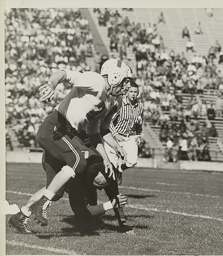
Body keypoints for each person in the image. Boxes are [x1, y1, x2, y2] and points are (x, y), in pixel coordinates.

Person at [9, 59, 133, 232]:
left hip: (65, 136)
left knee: (56, 190)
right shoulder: (96, 81)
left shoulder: (111, 101)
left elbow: (94, 132)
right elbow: (64, 74)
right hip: (56, 128)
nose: (126, 86)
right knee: (79, 160)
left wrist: (106, 157)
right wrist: (52, 84)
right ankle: (43, 203)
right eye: (125, 81)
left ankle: (21, 216)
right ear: (115, 76)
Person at [108, 80, 144, 182]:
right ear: (127, 92)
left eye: (135, 92)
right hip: (116, 136)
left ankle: (120, 169)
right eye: (131, 92)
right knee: (112, 163)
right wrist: (115, 134)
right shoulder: (119, 103)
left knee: (132, 161)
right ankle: (113, 189)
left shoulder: (140, 106)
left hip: (130, 136)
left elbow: (140, 123)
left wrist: (138, 135)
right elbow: (108, 121)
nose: (133, 94)